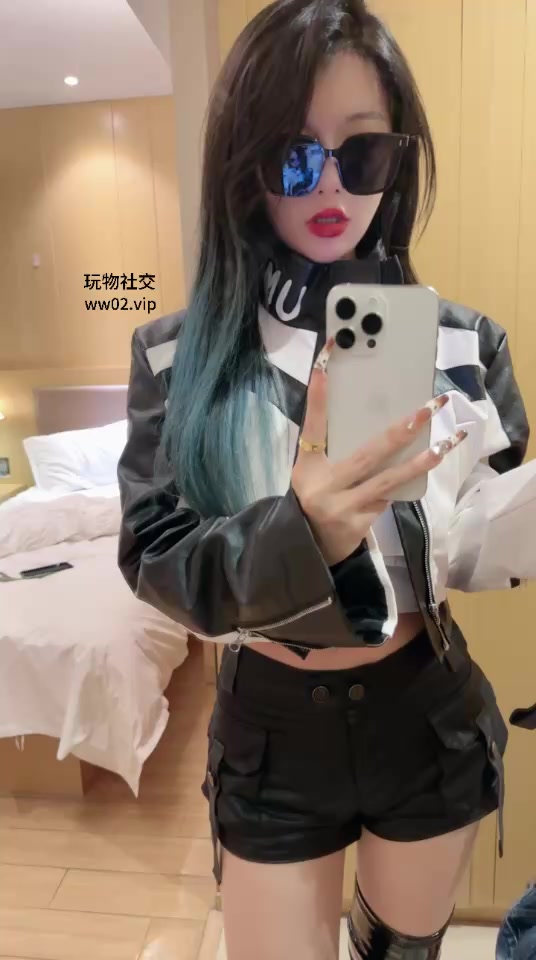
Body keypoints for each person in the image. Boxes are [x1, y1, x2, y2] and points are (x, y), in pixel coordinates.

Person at [117, 1, 536, 957]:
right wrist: (298, 531)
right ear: (245, 164)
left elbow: (472, 542)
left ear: (400, 159)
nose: (332, 184)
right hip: (271, 727)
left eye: (364, 151)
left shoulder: (468, 346)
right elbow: (155, 559)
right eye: (293, 156)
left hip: (425, 710)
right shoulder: (177, 360)